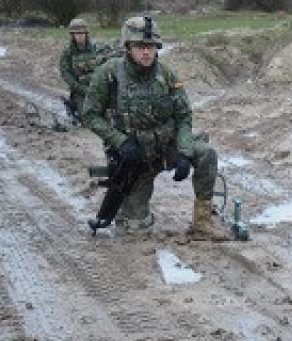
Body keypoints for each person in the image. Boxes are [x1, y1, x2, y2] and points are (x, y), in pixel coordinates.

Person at [81, 15, 230, 239]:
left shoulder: (167, 75)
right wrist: (120, 141)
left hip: (165, 148)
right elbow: (90, 115)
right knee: (134, 231)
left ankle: (202, 223)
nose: (146, 52)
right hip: (134, 159)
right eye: (140, 46)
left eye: (150, 46)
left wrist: (184, 152)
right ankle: (129, 213)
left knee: (206, 154)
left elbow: (183, 116)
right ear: (128, 46)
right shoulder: (109, 73)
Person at [58, 17, 113, 124]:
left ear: (86, 34)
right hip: (80, 90)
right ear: (72, 35)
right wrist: (80, 88)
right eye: (77, 34)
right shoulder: (68, 52)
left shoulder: (96, 48)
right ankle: (73, 106)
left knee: (109, 115)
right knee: (87, 118)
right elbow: (65, 73)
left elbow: (105, 67)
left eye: (82, 33)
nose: (80, 36)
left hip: (97, 87)